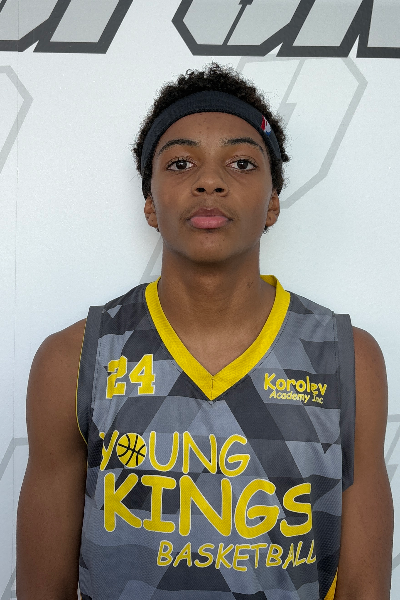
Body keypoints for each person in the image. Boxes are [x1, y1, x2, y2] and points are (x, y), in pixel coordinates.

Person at [16, 63, 393, 600]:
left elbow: (363, 588)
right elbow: (43, 589)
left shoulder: (348, 358)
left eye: (241, 162)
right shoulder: (74, 359)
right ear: (151, 203)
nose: (210, 181)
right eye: (180, 163)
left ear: (273, 202)